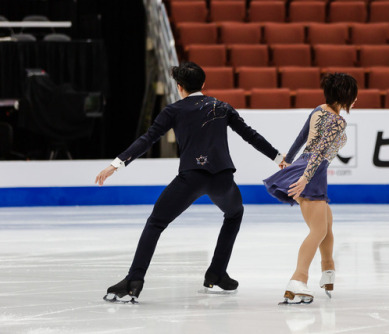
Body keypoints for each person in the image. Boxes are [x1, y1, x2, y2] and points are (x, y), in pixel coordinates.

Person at [96, 62, 283, 303]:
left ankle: (134, 280)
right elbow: (250, 136)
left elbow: (148, 139)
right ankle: (216, 272)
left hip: (191, 179)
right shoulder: (221, 106)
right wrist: (279, 158)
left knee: (155, 223)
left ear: (179, 87)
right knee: (234, 214)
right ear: (203, 85)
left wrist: (117, 163)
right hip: (222, 179)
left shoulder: (173, 110)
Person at [263, 72, 358, 304]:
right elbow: (320, 151)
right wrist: (306, 177)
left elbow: (301, 139)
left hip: (307, 167)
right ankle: (298, 279)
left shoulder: (318, 109)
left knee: (326, 225)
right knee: (318, 231)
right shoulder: (338, 121)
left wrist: (288, 160)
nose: (356, 100)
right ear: (345, 96)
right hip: (313, 171)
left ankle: (328, 269)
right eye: (354, 95)